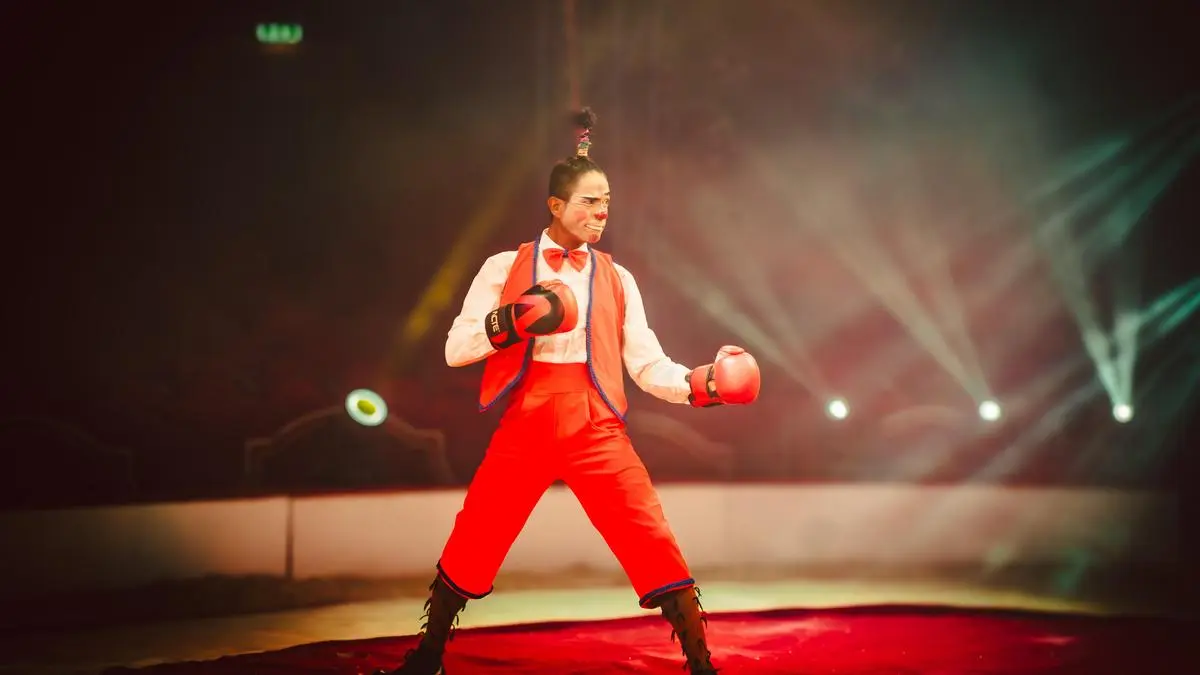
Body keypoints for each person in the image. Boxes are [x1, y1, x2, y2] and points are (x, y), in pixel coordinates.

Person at [380, 108, 760, 675]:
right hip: (527, 418)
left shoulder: (618, 277)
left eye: (607, 201)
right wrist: (515, 320)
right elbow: (455, 349)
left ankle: (702, 666)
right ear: (555, 205)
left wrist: (702, 384)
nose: (601, 212)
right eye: (588, 201)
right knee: (476, 535)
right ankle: (426, 658)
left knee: (650, 534)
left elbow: (646, 364)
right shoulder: (503, 266)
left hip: (595, 421)